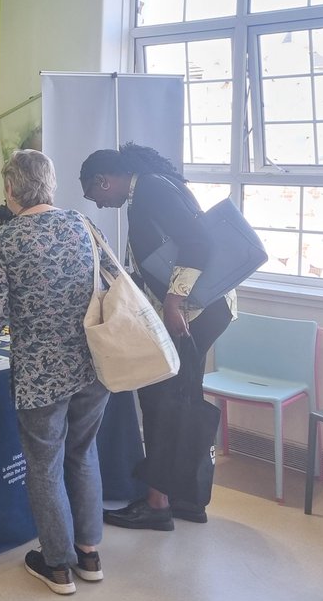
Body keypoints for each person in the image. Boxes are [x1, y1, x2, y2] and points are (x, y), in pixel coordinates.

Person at [0, 150, 110, 595]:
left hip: (41, 373)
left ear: (12, 188)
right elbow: (112, 280)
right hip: (94, 364)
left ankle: (57, 565)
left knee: (44, 466)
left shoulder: (4, 239)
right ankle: (90, 554)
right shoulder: (81, 224)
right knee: (83, 454)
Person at [79, 142, 235, 530]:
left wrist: (173, 301)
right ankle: (189, 497)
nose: (98, 204)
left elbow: (200, 243)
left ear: (104, 180)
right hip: (206, 307)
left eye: (94, 195)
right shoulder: (152, 186)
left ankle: (158, 502)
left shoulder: (149, 188)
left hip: (194, 310)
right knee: (183, 398)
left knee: (162, 398)